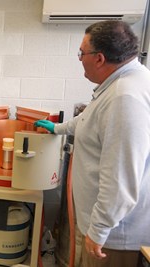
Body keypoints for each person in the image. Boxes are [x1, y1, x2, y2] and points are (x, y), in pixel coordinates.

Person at [35, 21, 150, 267]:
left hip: (113, 238)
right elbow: (89, 121)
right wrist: (57, 128)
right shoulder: (120, 85)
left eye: (81, 53)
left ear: (99, 58)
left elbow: (121, 178)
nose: (79, 59)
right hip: (106, 228)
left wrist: (98, 229)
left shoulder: (124, 97)